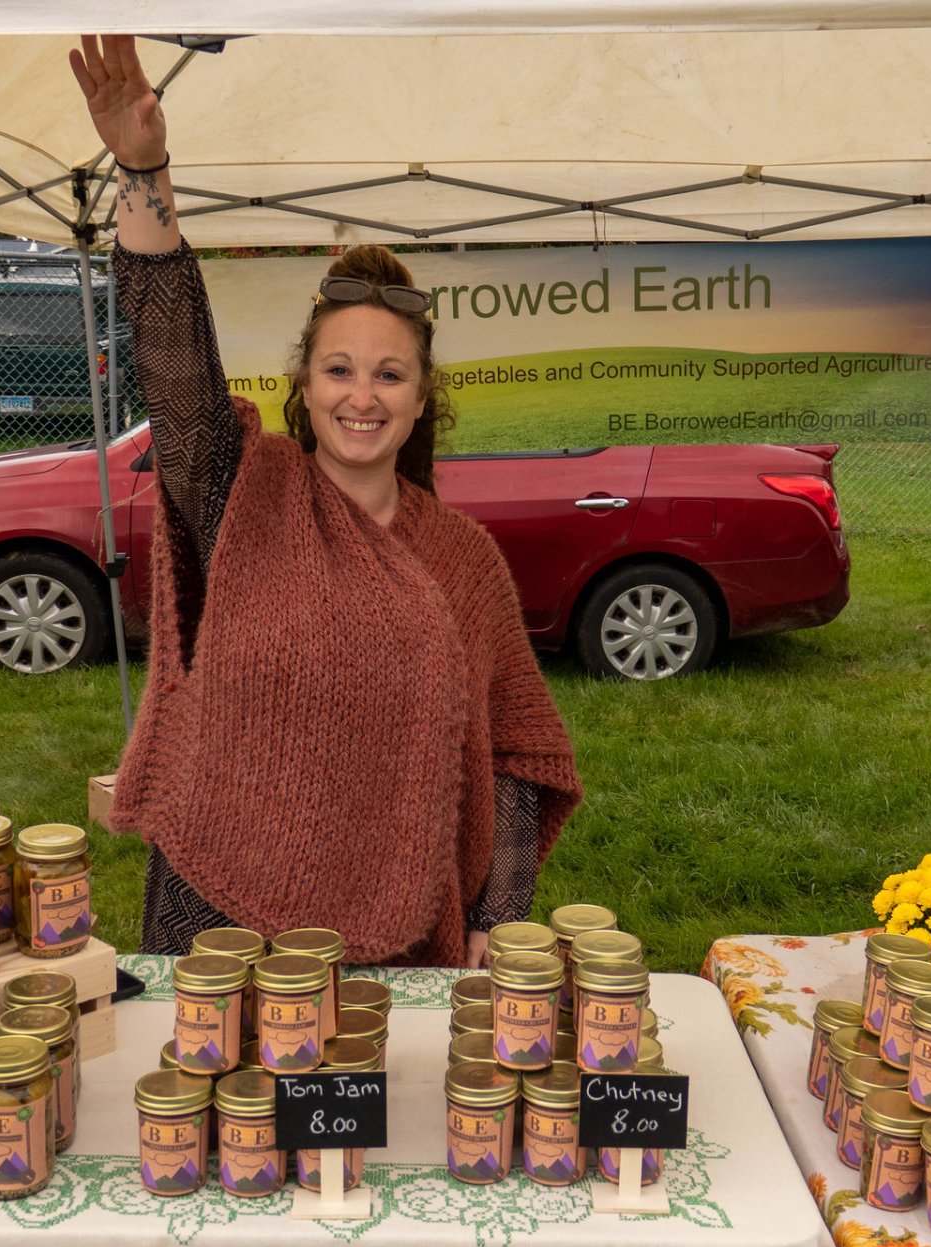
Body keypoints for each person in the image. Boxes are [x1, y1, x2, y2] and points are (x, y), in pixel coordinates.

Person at [71, 35, 582, 967]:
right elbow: (177, 371)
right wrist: (144, 172)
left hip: (405, 936)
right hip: (217, 910)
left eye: (390, 375)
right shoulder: (243, 497)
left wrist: (496, 922)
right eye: (338, 369)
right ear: (302, 387)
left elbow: (516, 756)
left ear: (422, 399)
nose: (362, 395)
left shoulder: (464, 559)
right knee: (218, 1112)